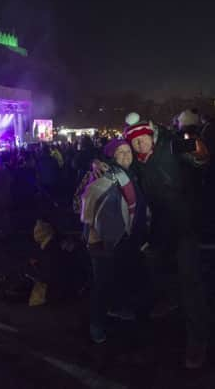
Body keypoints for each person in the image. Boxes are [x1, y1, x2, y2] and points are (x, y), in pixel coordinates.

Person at [123, 113, 210, 369]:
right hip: (161, 228)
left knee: (190, 282)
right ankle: (169, 299)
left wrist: (198, 152)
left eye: (143, 140)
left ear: (151, 136)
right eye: (135, 143)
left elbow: (198, 154)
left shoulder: (169, 146)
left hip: (184, 225)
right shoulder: (138, 163)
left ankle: (197, 341)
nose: (140, 145)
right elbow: (112, 157)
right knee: (154, 264)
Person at [81, 139, 150, 344]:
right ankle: (96, 324)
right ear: (111, 156)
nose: (126, 155)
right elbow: (87, 211)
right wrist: (94, 233)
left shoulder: (129, 175)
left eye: (128, 151)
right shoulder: (104, 177)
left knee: (117, 278)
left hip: (123, 240)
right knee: (101, 284)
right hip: (102, 242)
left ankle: (116, 309)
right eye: (120, 152)